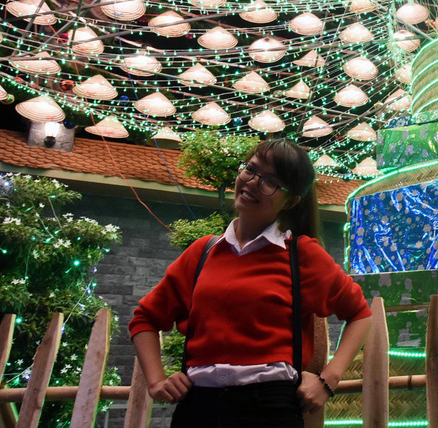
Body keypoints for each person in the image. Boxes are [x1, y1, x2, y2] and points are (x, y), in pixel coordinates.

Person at [130, 139, 372, 427]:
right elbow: (144, 318)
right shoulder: (202, 253)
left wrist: (328, 380)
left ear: (291, 201)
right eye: (250, 169)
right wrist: (156, 380)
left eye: (270, 181)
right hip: (199, 407)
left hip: (270, 408)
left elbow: (360, 314)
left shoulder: (301, 254)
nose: (253, 182)